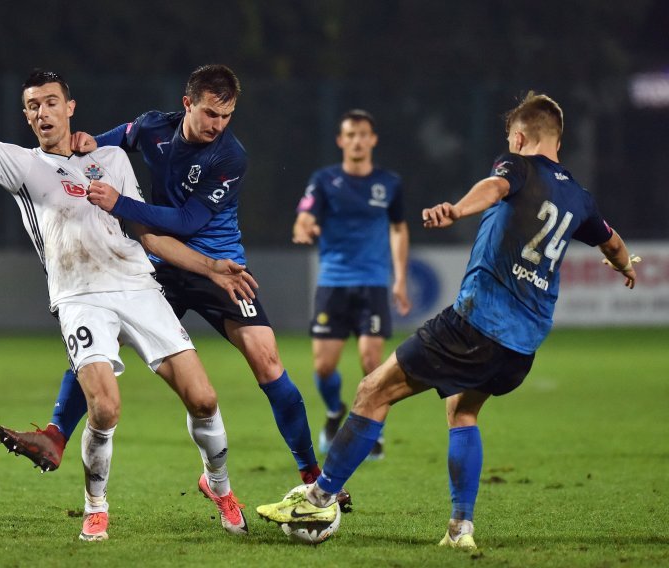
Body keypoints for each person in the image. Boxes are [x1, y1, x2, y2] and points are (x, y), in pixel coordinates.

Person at [0, 8, 250, 541]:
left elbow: (150, 235)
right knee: (105, 406)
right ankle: (96, 505)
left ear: (70, 108)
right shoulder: (21, 164)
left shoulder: (112, 158)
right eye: (30, 107)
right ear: (26, 117)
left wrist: (211, 266)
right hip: (80, 296)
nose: (40, 113)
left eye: (49, 103)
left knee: (204, 399)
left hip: (138, 285)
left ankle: (222, 488)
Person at [256, 91, 638, 550]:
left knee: (373, 390)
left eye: (509, 140)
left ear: (519, 137)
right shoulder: (581, 198)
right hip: (522, 347)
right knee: (463, 410)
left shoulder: (516, 166)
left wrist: (457, 209)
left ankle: (319, 498)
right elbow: (613, 243)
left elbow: (494, 187)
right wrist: (625, 267)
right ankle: (460, 529)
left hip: (477, 323)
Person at [0, 64, 351, 508]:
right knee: (101, 343)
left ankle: (311, 472)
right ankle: (55, 435)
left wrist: (120, 202)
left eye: (226, 117)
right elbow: (100, 145)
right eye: (209, 115)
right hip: (158, 265)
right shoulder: (151, 128)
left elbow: (187, 222)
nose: (218, 126)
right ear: (188, 104)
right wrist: (89, 142)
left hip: (218, 267)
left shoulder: (230, 156)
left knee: (268, 360)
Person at [292, 109, 411, 460]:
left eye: (363, 134)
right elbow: (304, 217)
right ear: (341, 141)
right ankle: (333, 413)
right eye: (350, 134)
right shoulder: (324, 180)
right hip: (333, 282)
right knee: (324, 367)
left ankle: (374, 432)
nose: (357, 140)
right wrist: (304, 229)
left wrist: (400, 278)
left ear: (372, 140)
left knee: (371, 359)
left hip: (373, 283)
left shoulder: (389, 183)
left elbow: (399, 228)